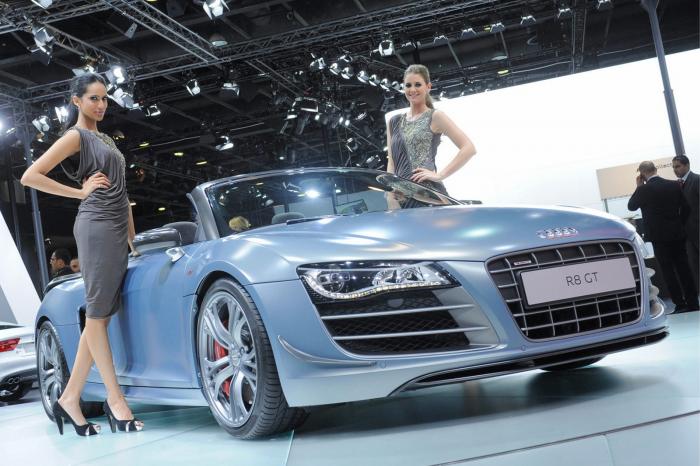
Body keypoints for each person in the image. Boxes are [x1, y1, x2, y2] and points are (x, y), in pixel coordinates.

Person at [20, 73, 143, 436]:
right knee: (98, 315)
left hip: (116, 227)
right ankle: (116, 401)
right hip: (96, 225)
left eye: (104, 98)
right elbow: (30, 176)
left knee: (98, 318)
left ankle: (70, 397)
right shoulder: (76, 136)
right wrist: (79, 193)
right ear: (76, 101)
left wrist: (133, 238)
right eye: (93, 98)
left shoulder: (106, 139)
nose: (101, 105)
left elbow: (123, 192)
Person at [386, 64, 476, 195]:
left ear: (428, 87)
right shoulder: (394, 121)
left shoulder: (435, 116)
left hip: (428, 193)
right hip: (401, 196)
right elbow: (391, 162)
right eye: (408, 85)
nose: (412, 89)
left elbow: (469, 148)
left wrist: (440, 175)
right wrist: (390, 193)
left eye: (418, 84)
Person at [628, 161, 698, 313]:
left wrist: (638, 187)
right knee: (684, 268)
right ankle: (693, 302)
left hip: (658, 237)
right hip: (677, 235)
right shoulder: (674, 185)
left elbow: (631, 206)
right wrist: (679, 224)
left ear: (642, 174)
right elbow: (686, 208)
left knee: (668, 271)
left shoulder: (643, 189)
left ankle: (680, 304)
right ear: (655, 169)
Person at [672, 155, 699, 291]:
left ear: (687, 165)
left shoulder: (697, 180)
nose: (675, 170)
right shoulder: (676, 185)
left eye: (678, 166)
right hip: (686, 234)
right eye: (673, 167)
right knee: (694, 266)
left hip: (698, 229)